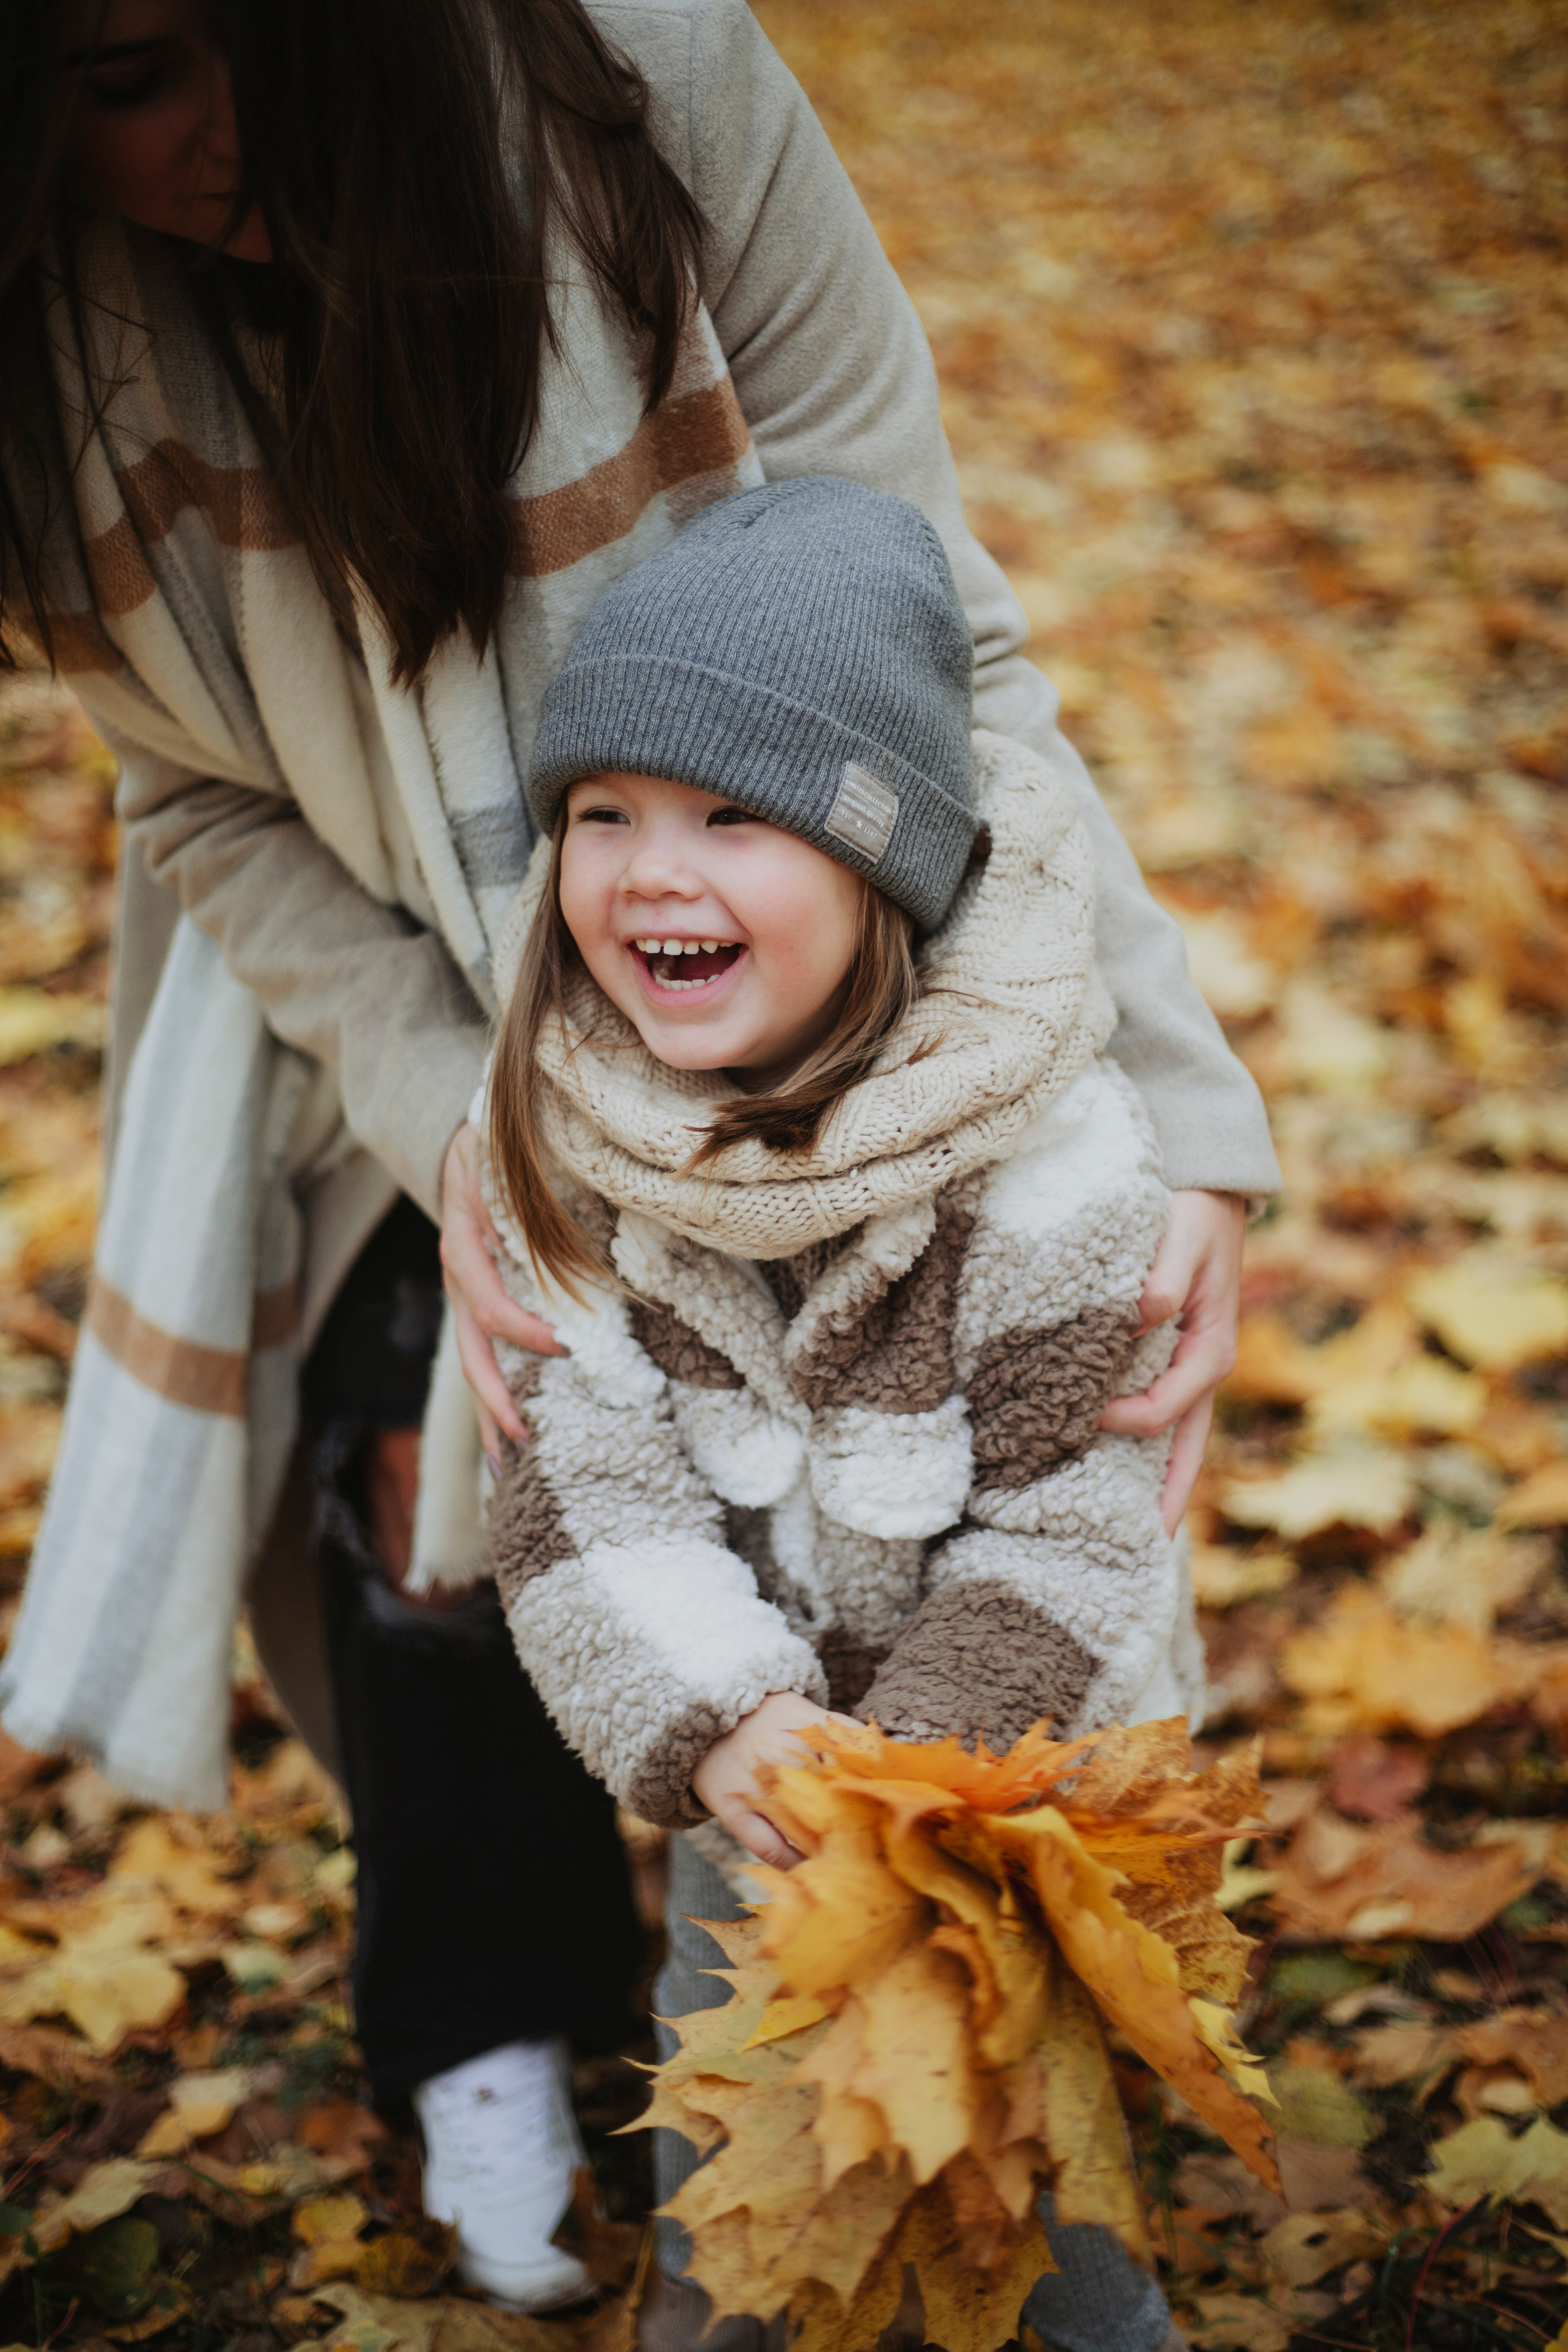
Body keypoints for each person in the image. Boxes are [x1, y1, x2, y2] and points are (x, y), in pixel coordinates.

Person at [0, 0, 1277, 2318]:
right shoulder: (54, 355)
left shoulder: (638, 84)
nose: (156, 153)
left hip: (800, 958)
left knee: (1038, 2201)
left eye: (166, 60)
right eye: (74, 104)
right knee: (437, 1470)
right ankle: (486, 2004)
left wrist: (1176, 1108)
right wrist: (461, 1121)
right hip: (401, 970)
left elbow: (930, 621)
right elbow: (198, 791)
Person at [480, 476, 1208, 2352]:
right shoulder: (568, 1149)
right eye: (605, 814)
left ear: (884, 860)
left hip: (1006, 1809)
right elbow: (586, 1499)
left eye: (737, 817)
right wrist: (735, 1734)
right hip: (765, 1804)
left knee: (1041, 2230)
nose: (654, 869)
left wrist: (917, 1783)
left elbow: (1076, 1517)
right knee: (738, 2210)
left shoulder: (1054, 1169)